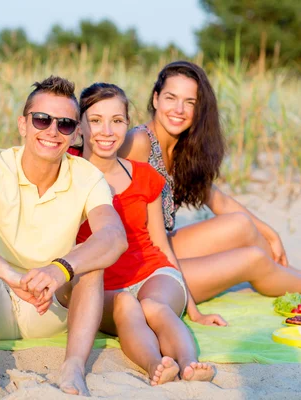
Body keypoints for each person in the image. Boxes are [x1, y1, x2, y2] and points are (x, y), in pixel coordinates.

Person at [0, 76, 127, 396]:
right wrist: (11, 275)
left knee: (92, 260)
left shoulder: (87, 176)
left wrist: (60, 269)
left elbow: (114, 236)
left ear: (76, 133)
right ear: (23, 125)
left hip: (49, 303)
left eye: (65, 124)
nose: (52, 131)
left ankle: (73, 366)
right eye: (42, 120)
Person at [119, 60, 301, 303]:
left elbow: (219, 201)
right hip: (137, 266)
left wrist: (271, 233)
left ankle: (296, 274)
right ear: (156, 99)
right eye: (171, 98)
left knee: (241, 224)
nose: (179, 109)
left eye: (190, 102)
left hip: (160, 246)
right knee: (253, 259)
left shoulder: (181, 150)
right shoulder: (138, 142)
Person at [74, 82, 221, 385]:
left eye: (117, 121)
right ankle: (157, 364)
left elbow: (160, 243)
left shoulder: (144, 175)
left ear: (127, 124)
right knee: (128, 308)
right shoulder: (68, 175)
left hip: (153, 272)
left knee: (155, 307)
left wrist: (193, 310)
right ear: (79, 126)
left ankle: (190, 364)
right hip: (102, 286)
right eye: (96, 120)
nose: (107, 130)